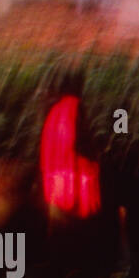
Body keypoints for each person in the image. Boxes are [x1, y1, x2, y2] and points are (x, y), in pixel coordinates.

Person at [39, 67, 102, 220]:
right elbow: (75, 140)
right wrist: (94, 153)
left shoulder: (55, 107)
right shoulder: (75, 106)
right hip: (70, 175)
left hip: (53, 177)